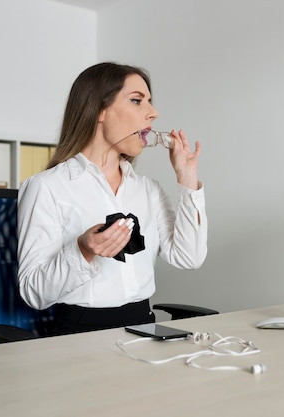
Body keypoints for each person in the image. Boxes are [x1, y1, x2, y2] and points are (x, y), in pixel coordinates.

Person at [17, 62, 207, 335]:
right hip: (79, 336)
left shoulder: (148, 190)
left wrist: (186, 177)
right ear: (100, 110)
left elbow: (189, 257)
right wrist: (83, 250)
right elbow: (33, 293)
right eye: (136, 101)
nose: (153, 113)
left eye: (150, 103)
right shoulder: (46, 188)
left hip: (144, 328)